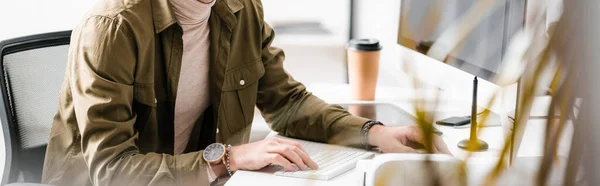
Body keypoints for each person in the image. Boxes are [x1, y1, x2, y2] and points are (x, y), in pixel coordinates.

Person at [41, 0, 450, 185]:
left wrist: (373, 133)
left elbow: (287, 103)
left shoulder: (242, 10)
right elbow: (111, 171)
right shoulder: (113, 27)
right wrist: (230, 158)